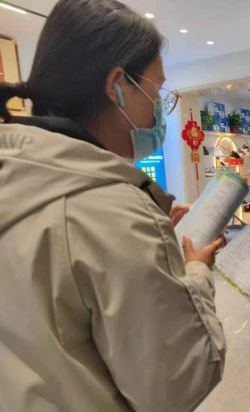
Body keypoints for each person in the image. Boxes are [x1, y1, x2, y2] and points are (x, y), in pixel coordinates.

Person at [0, 1, 226, 411]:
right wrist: (196, 272)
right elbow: (177, 383)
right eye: (158, 91)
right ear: (117, 86)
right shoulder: (111, 209)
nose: (159, 110)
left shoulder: (18, 175)